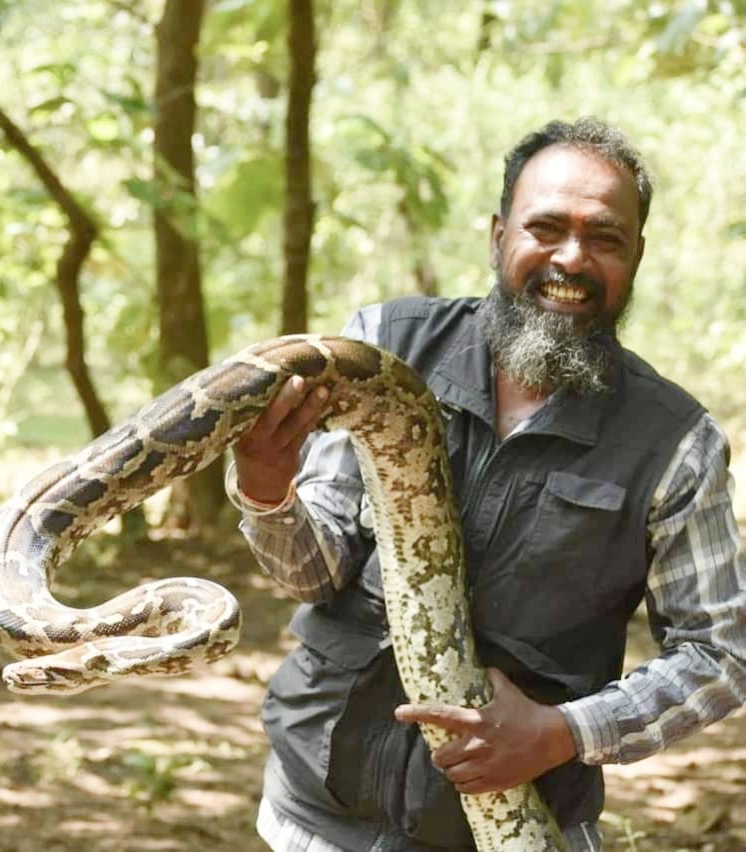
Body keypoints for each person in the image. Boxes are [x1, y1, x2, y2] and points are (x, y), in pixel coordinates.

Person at [227, 117, 746, 852]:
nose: (572, 259)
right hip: (317, 818)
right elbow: (319, 572)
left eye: (605, 239)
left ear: (635, 256)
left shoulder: (675, 443)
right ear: (499, 233)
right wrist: (267, 491)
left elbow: (721, 651)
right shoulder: (382, 349)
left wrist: (564, 732)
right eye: (546, 228)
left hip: (524, 824)